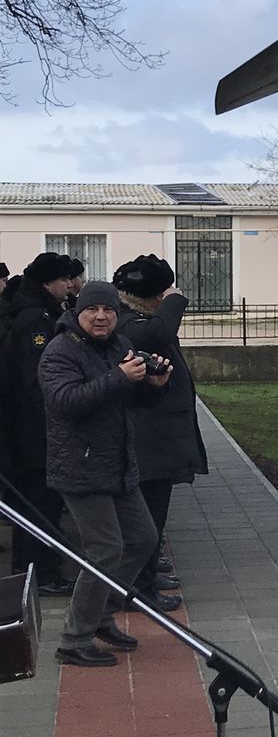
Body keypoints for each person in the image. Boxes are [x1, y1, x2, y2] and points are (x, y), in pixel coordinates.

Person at [39, 281, 171, 668]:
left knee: (144, 538)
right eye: (93, 310)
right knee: (105, 549)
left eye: (109, 311)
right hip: (79, 467)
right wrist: (119, 377)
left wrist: (155, 386)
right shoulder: (59, 351)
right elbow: (65, 402)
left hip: (117, 464)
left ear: (117, 313)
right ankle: (73, 639)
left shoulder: (119, 345)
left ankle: (100, 614)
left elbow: (132, 398)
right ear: (78, 313)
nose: (101, 317)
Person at [114, 255, 207, 610]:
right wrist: (175, 299)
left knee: (154, 515)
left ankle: (148, 576)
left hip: (159, 437)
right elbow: (159, 334)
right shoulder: (130, 322)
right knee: (146, 519)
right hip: (148, 439)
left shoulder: (138, 318)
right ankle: (138, 588)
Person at [0, 253, 77, 596]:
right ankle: (39, 573)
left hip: (31, 429)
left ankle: (35, 568)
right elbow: (37, 381)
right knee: (38, 500)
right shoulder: (36, 319)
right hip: (34, 431)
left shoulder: (40, 311)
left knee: (39, 500)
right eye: (63, 280)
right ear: (48, 283)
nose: (69, 285)